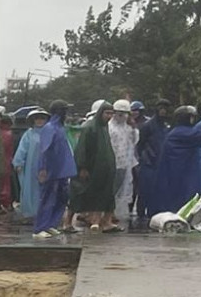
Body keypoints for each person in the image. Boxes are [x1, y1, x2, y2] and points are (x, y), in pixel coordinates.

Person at [148, 106, 201, 217]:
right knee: (185, 193)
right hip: (181, 171)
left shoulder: (176, 131)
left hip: (175, 169)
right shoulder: (182, 133)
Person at [71, 101, 118, 232]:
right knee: (92, 195)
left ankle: (106, 222)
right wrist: (82, 167)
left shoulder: (105, 127)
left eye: (111, 114)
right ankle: (92, 220)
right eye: (107, 113)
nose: (109, 116)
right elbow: (82, 149)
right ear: (100, 113)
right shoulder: (90, 127)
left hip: (106, 169)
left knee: (107, 196)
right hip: (93, 169)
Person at [33, 101, 78, 237]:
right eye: (65, 111)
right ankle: (40, 228)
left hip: (63, 170)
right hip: (51, 170)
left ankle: (51, 224)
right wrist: (43, 169)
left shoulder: (60, 128)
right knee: (47, 198)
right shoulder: (49, 128)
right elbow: (44, 151)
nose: (67, 114)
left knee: (61, 199)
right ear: (60, 112)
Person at [132, 100, 165, 229]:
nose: (163, 111)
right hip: (148, 162)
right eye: (161, 108)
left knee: (157, 189)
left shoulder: (164, 125)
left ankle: (153, 213)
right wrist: (143, 158)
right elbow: (140, 145)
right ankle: (141, 214)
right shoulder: (148, 125)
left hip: (160, 162)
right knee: (144, 189)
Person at [108, 101, 139, 231]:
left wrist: (133, 126)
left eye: (125, 114)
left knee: (119, 191)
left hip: (124, 164)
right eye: (119, 113)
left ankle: (112, 214)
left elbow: (135, 141)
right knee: (110, 190)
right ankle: (107, 215)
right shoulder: (110, 127)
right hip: (111, 164)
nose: (122, 116)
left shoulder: (127, 128)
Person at [12, 107, 45, 222]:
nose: (40, 121)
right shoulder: (28, 135)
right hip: (31, 168)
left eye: (42, 118)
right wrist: (19, 162)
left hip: (47, 168)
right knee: (30, 190)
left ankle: (45, 214)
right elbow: (22, 149)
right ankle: (30, 213)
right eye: (37, 119)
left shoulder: (50, 133)